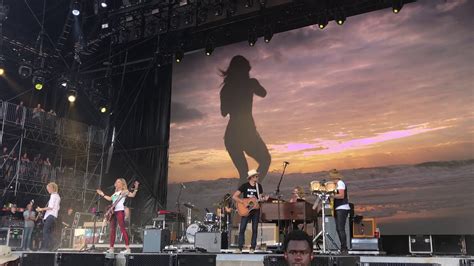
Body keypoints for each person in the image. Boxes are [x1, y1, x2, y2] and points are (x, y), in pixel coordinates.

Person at [220, 55, 271, 184]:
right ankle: (251, 193)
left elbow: (223, 112)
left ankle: (248, 195)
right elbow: (263, 93)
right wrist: (251, 85)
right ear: (242, 70)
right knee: (265, 160)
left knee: (244, 174)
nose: (248, 73)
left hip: (232, 135)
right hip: (246, 133)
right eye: (247, 70)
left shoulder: (226, 88)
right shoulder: (249, 83)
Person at [96, 179, 139, 254]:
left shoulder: (124, 191)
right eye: (116, 182)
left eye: (118, 182)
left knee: (122, 229)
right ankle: (111, 248)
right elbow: (110, 199)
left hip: (120, 211)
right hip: (113, 212)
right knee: (112, 230)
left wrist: (136, 188)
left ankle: (128, 248)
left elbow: (132, 195)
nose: (116, 183)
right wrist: (102, 194)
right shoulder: (115, 193)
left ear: (122, 184)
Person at [232, 169, 267, 253]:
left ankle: (252, 248)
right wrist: (243, 203)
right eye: (256, 176)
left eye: (257, 176)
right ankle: (239, 248)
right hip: (246, 210)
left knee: (254, 229)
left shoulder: (259, 187)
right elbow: (234, 196)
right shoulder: (244, 186)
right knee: (242, 228)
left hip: (255, 210)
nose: (257, 177)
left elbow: (260, 198)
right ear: (251, 177)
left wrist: (263, 199)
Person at [329, 169, 350, 253]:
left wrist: (332, 195)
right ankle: (343, 247)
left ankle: (344, 248)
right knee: (339, 228)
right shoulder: (337, 184)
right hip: (338, 208)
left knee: (340, 228)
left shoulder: (340, 183)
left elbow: (341, 195)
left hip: (342, 208)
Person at [36, 182, 61, 251]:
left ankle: (52, 244)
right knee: (48, 232)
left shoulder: (53, 196)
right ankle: (52, 246)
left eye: (48, 188)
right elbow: (57, 208)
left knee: (45, 232)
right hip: (53, 216)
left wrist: (41, 209)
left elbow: (50, 207)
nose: (48, 190)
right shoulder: (58, 196)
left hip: (50, 216)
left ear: (52, 188)